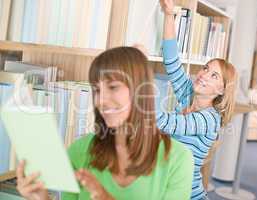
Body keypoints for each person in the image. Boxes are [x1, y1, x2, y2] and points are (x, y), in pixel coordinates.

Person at [16, 46, 194, 200]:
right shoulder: (80, 150)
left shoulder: (178, 160)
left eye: (113, 87)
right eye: (97, 90)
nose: (100, 100)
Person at [157, 0, 238, 199]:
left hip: (187, 195)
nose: (203, 75)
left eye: (214, 76)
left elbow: (166, 123)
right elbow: (172, 60)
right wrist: (168, 15)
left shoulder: (210, 119)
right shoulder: (188, 96)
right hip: (168, 188)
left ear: (221, 90)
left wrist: (133, 80)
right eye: (206, 69)